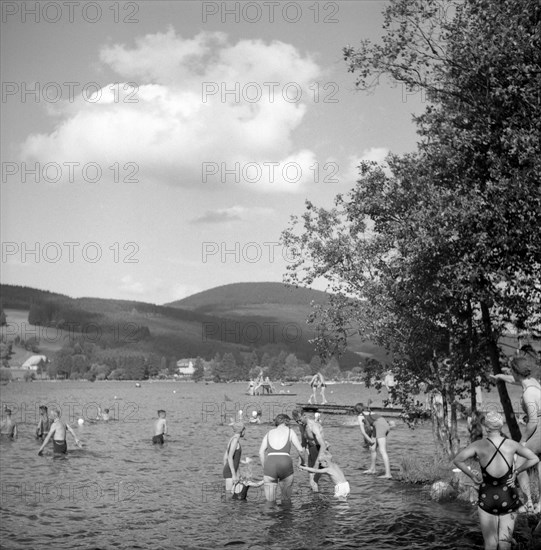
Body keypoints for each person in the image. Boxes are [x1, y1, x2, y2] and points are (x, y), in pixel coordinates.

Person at [453, 411, 539, 550]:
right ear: (501, 426)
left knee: (490, 545)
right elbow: (534, 458)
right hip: (508, 497)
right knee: (505, 544)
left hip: (487, 497)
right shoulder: (512, 445)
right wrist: (517, 471)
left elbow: (458, 460)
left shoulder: (478, 445)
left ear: (486, 427)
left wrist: (472, 476)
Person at [490, 356, 541, 513]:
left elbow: (532, 421)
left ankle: (528, 504)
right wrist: (499, 377)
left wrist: (523, 440)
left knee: (518, 465)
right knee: (539, 465)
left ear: (515, 371)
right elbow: (513, 379)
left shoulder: (528, 394)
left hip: (537, 429)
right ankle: (539, 506)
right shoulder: (533, 383)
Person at [259, 413, 304, 503]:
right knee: (286, 500)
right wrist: (302, 462)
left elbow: (261, 452)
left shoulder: (269, 433)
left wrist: (265, 468)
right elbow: (300, 450)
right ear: (287, 422)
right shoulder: (290, 431)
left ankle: (269, 515)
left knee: (270, 502)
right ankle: (286, 515)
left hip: (270, 464)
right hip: (285, 463)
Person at [292, 407, 327, 491]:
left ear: (304, 415)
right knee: (312, 481)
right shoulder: (301, 426)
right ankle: (316, 500)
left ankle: (320, 500)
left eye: (300, 420)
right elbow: (303, 443)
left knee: (314, 480)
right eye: (296, 421)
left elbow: (323, 445)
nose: (299, 422)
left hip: (321, 451)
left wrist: (317, 462)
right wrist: (301, 461)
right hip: (312, 450)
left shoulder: (313, 426)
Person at [354, 402, 392, 478]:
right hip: (382, 424)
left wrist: (370, 441)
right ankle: (372, 469)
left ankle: (388, 474)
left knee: (382, 450)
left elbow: (363, 433)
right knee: (372, 448)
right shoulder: (369, 412)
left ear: (356, 411)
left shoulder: (360, 416)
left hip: (380, 426)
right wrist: (371, 441)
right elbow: (375, 423)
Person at [223, 421, 245, 493]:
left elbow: (225, 458)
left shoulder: (232, 439)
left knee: (231, 497)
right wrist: (233, 475)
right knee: (229, 496)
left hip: (229, 470)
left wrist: (237, 473)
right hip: (230, 472)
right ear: (242, 430)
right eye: (244, 429)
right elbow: (229, 457)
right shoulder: (235, 440)